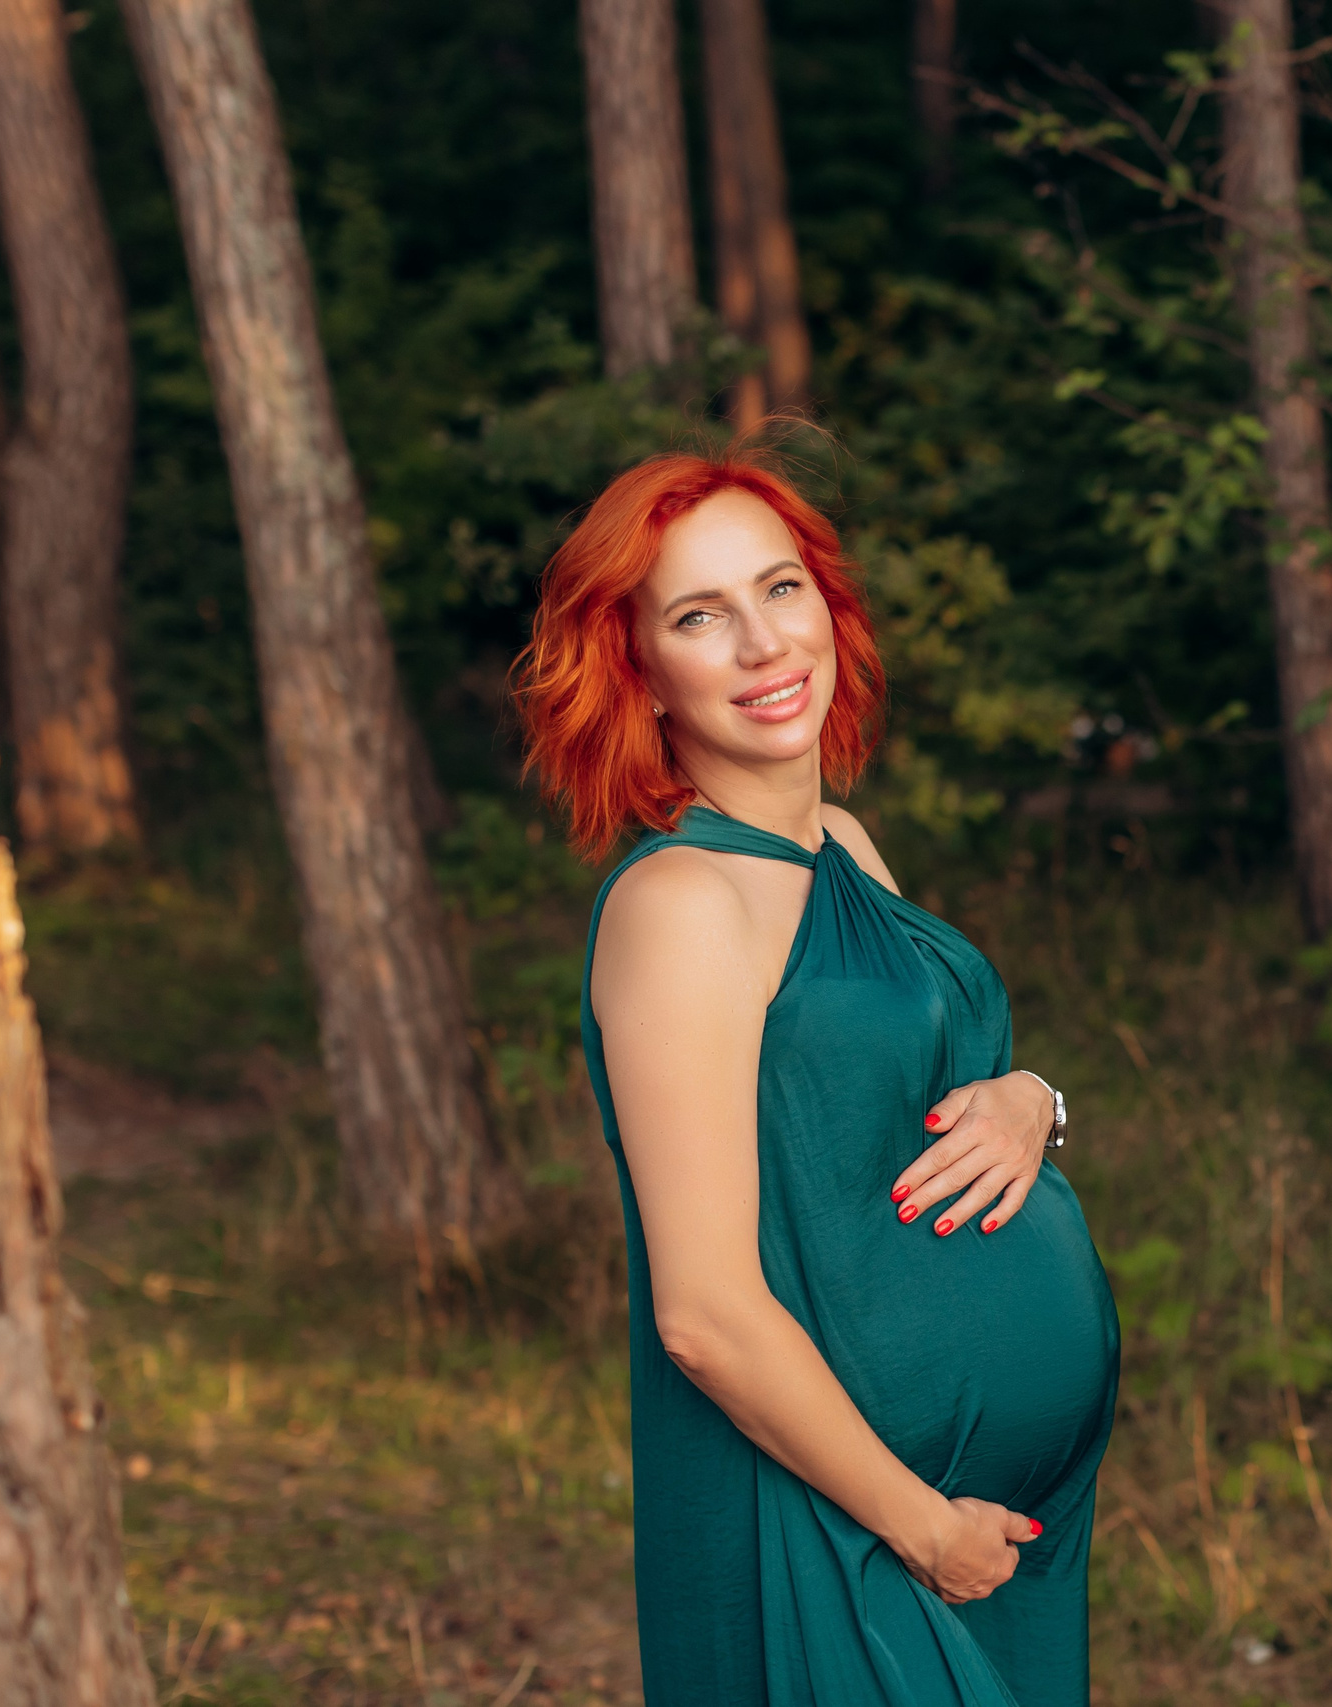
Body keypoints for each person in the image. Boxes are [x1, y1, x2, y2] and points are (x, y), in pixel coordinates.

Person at [513, 450, 1119, 1706]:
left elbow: (950, 1090)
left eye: (777, 589)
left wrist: (1032, 1099)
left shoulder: (839, 845)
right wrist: (919, 1525)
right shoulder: (679, 903)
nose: (758, 643)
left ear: (827, 607)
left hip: (977, 1526)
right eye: (697, 616)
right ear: (640, 671)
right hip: (841, 1528)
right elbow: (706, 1314)